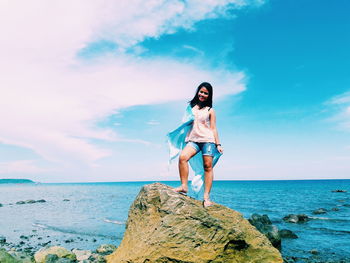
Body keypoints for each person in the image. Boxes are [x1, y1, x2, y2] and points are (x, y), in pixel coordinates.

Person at [170, 82, 223, 208]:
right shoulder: (191, 108)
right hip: (193, 140)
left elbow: (214, 128)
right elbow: (185, 123)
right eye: (201, 91)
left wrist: (218, 144)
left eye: (205, 93)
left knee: (207, 166)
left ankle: (206, 197)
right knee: (183, 158)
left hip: (208, 140)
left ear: (209, 95)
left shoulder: (210, 110)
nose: (202, 94)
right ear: (197, 92)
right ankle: (184, 186)